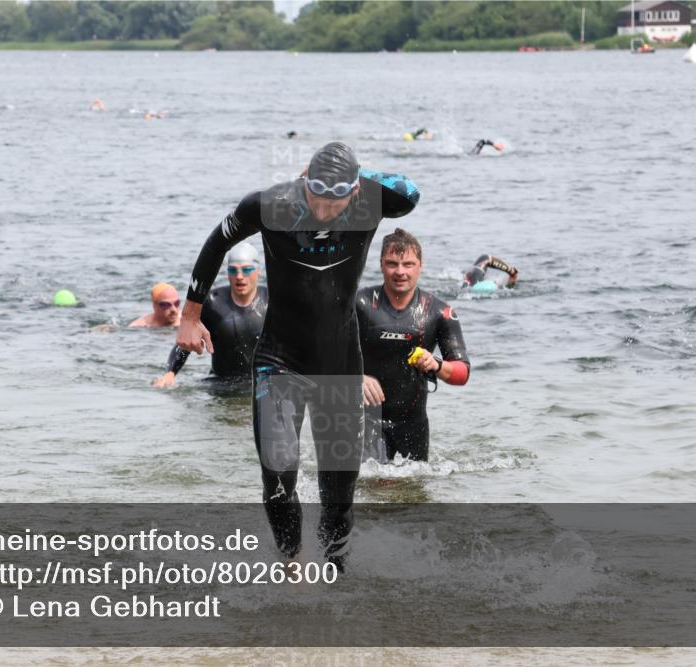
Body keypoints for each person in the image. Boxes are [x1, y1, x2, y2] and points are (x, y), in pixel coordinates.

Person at [175, 142, 419, 569]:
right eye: (316, 197)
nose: (324, 210)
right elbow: (216, 243)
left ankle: (334, 573)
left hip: (340, 366)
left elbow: (411, 192)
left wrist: (359, 174)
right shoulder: (273, 205)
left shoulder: (371, 200)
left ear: (355, 191)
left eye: (335, 200)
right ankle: (292, 565)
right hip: (279, 361)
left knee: (339, 494)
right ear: (305, 182)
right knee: (277, 474)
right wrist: (190, 317)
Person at [357, 229, 470, 463]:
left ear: (420, 265)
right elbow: (321, 353)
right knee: (375, 488)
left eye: (408, 264)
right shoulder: (359, 304)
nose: (400, 272)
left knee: (415, 493)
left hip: (414, 424)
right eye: (392, 264)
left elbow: (462, 373)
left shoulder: (439, 312)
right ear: (380, 265)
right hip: (366, 420)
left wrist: (436, 364)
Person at [154, 242, 268, 387]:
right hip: (220, 384)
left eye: (246, 270)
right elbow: (185, 341)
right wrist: (170, 373)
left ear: (259, 271)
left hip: (262, 385)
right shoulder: (213, 303)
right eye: (233, 271)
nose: (239, 276)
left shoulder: (271, 301)